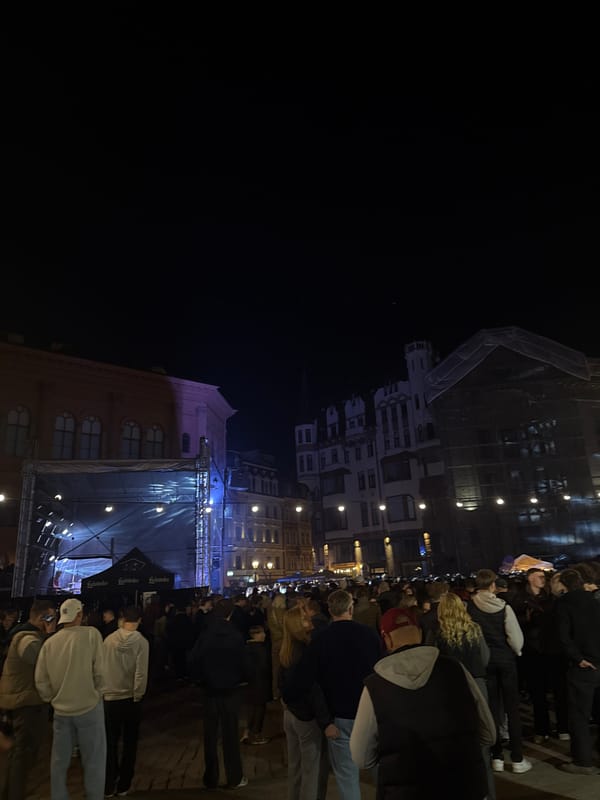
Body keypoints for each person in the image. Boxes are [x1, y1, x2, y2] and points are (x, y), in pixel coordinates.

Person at [350, 606, 496, 800]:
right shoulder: (455, 670)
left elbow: (361, 757)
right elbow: (489, 734)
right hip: (464, 785)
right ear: (419, 633)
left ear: (387, 639)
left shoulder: (375, 686)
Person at [293, 588, 383, 800]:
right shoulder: (369, 635)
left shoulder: (320, 639)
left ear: (330, 610)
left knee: (346, 776)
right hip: (369, 712)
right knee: (381, 772)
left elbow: (309, 682)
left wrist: (324, 721)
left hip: (339, 716)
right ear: (351, 608)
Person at [34, 598, 107, 800]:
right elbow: (100, 672)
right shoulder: (91, 635)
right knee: (94, 761)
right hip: (88, 707)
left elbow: (41, 681)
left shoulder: (50, 643)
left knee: (59, 762)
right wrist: (98, 692)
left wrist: (52, 698)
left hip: (61, 711)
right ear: (79, 615)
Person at [467, 568, 532, 774]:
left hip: (485, 662)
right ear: (493, 585)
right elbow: (515, 637)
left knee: (492, 708)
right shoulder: (503, 607)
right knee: (512, 708)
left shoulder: (470, 608)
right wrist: (517, 651)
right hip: (505, 660)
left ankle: (496, 756)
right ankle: (517, 757)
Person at [433, 590, 496, 800]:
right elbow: (485, 658)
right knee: (481, 742)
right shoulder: (474, 629)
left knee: (454, 744)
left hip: (450, 688)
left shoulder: (438, 633)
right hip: (477, 685)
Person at [0, 599, 57, 800]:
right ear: (43, 618)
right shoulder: (28, 639)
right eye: (51, 617)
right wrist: (50, 634)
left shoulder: (24, 635)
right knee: (23, 757)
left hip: (22, 701)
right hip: (26, 704)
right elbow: (45, 662)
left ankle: (10, 794)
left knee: (21, 756)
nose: (54, 621)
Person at [192, 598, 248, 790]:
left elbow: (194, 661)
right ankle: (234, 776)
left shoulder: (205, 634)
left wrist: (201, 679)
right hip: (231, 690)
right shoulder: (235, 635)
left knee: (210, 736)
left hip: (209, 690)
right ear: (230, 614)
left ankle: (211, 777)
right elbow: (244, 663)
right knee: (230, 735)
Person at [279, 605, 333, 800]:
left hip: (290, 713)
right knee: (313, 771)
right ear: (297, 625)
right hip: (305, 716)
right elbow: (314, 689)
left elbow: (281, 683)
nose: (308, 619)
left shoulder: (286, 649)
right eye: (304, 618)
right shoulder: (306, 651)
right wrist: (325, 721)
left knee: (296, 767)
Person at [556, 568, 600, 775]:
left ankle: (583, 762)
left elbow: (563, 637)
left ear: (564, 585)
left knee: (580, 716)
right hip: (598, 662)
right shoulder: (594, 601)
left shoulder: (564, 604)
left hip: (582, 667)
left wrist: (578, 658)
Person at [103, 605, 150, 797]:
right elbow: (141, 672)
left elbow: (102, 667)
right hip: (130, 697)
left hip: (110, 696)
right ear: (139, 620)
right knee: (130, 743)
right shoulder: (141, 642)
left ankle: (108, 783)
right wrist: (138, 694)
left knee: (110, 742)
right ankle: (124, 783)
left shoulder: (109, 640)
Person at [240, 624, 271, 745]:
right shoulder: (261, 649)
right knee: (259, 710)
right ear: (255, 635)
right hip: (261, 683)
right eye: (261, 633)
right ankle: (256, 735)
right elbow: (264, 666)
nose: (264, 635)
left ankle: (246, 733)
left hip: (250, 684)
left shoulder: (246, 648)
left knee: (251, 710)